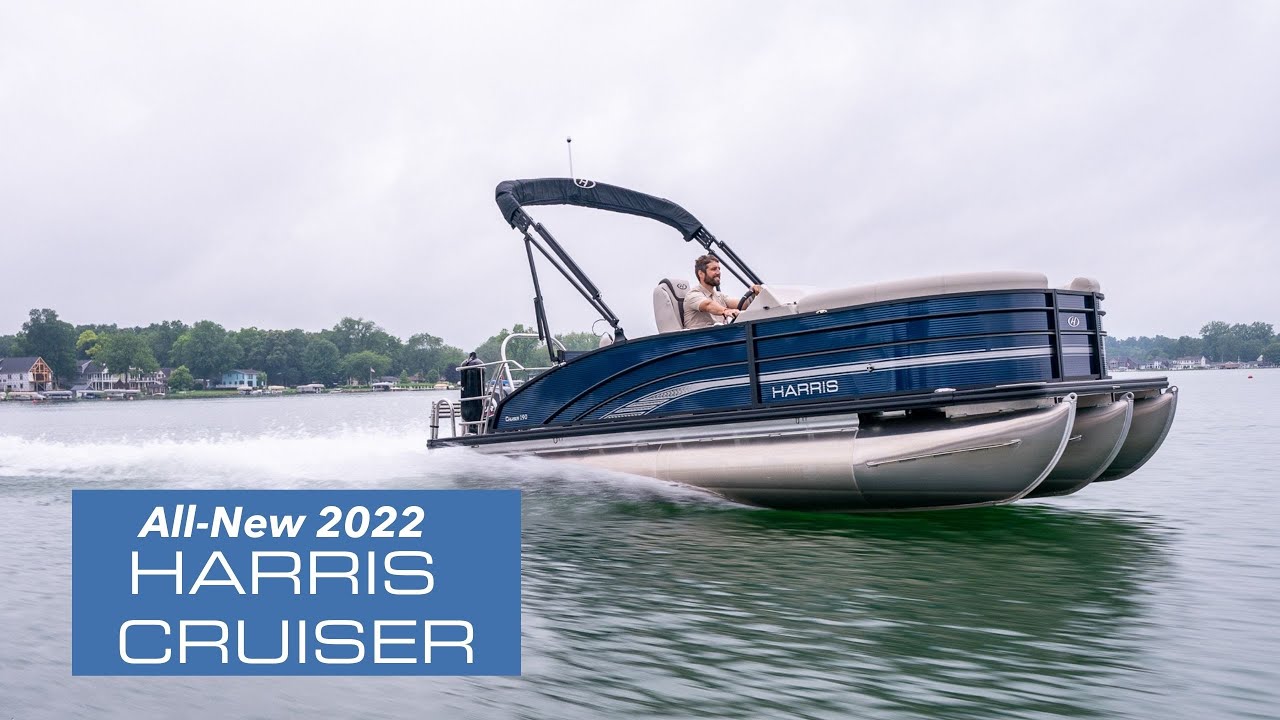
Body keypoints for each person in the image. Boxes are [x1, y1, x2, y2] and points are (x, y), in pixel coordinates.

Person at [683, 254, 762, 329]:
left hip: (719, 336)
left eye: (719, 269)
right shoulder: (693, 294)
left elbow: (742, 304)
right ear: (701, 274)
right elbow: (708, 305)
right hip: (700, 338)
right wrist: (726, 311)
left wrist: (753, 293)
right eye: (714, 269)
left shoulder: (719, 296)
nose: (718, 272)